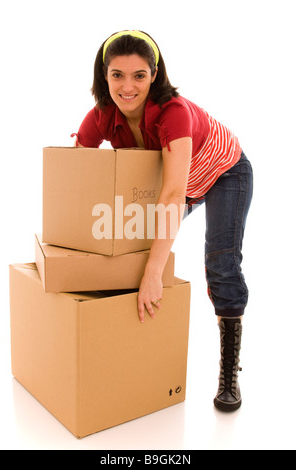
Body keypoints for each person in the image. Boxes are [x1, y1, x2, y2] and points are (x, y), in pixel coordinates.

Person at [71, 30, 253, 412]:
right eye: (117, 75)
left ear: (154, 75)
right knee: (128, 240)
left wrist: (155, 272)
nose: (128, 86)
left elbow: (172, 194)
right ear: (104, 76)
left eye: (139, 75)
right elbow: (76, 170)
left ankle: (228, 371)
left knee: (220, 265)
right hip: (177, 183)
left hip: (224, 174)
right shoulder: (102, 115)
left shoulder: (173, 113)